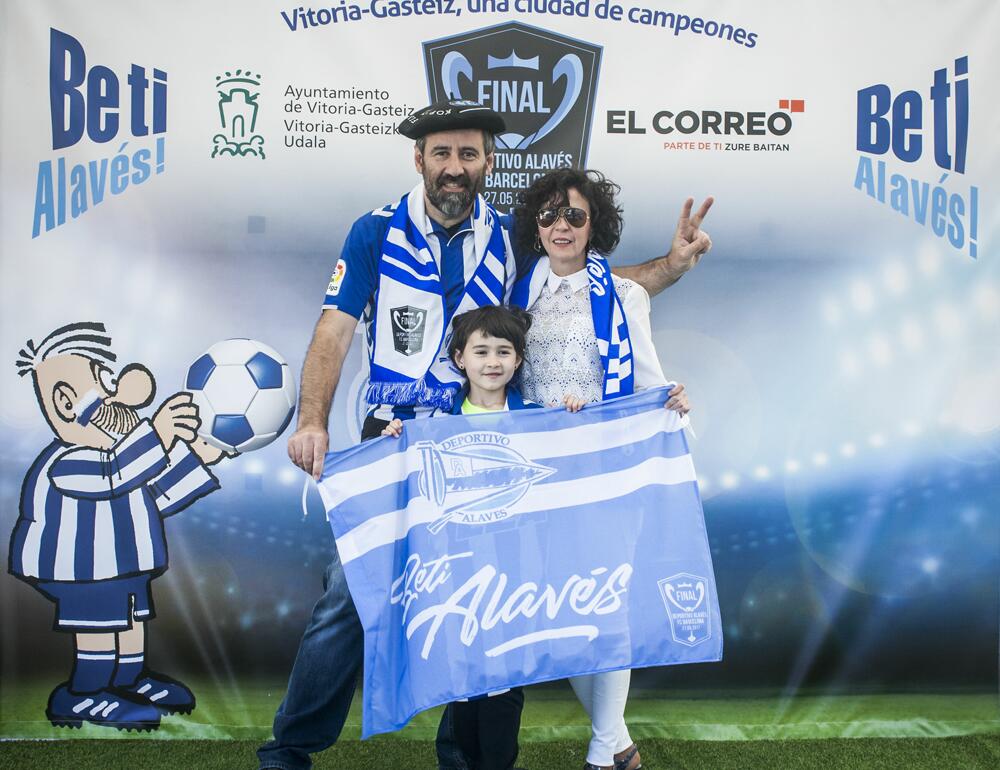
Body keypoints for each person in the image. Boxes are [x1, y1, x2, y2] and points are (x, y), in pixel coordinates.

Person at [259, 99, 711, 770]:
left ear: (488, 163)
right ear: (420, 160)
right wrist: (312, 419)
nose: (454, 166)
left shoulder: (510, 235)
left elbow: (588, 281)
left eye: (468, 154)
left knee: (484, 604)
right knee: (349, 599)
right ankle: (290, 748)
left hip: (489, 442)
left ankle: (468, 759)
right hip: (398, 442)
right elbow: (335, 327)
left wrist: (671, 265)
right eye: (441, 153)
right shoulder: (374, 231)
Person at [510, 168, 691, 770]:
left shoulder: (625, 295)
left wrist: (671, 399)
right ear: (536, 225)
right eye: (550, 215)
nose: (562, 226)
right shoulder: (514, 297)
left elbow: (647, 379)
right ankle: (620, 746)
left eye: (576, 216)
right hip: (532, 476)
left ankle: (599, 754)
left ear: (596, 226)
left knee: (604, 605)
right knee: (559, 616)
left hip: (606, 471)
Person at [9, 321, 227, 731]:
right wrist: (159, 434)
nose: (123, 394)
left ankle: (129, 679)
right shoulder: (70, 460)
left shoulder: (119, 457)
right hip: (81, 570)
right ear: (66, 401)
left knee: (130, 618)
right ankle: (82, 694)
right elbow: (115, 474)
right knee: (100, 620)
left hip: (122, 565)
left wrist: (198, 457)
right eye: (106, 382)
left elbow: (155, 494)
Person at [382, 304, 541, 770]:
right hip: (456, 572)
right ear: (459, 359)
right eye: (481, 351)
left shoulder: (538, 419)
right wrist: (395, 438)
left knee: (505, 681)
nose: (492, 362)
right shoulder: (433, 422)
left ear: (518, 361)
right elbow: (406, 480)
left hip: (517, 575)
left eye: (503, 351)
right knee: (465, 680)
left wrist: (570, 417)